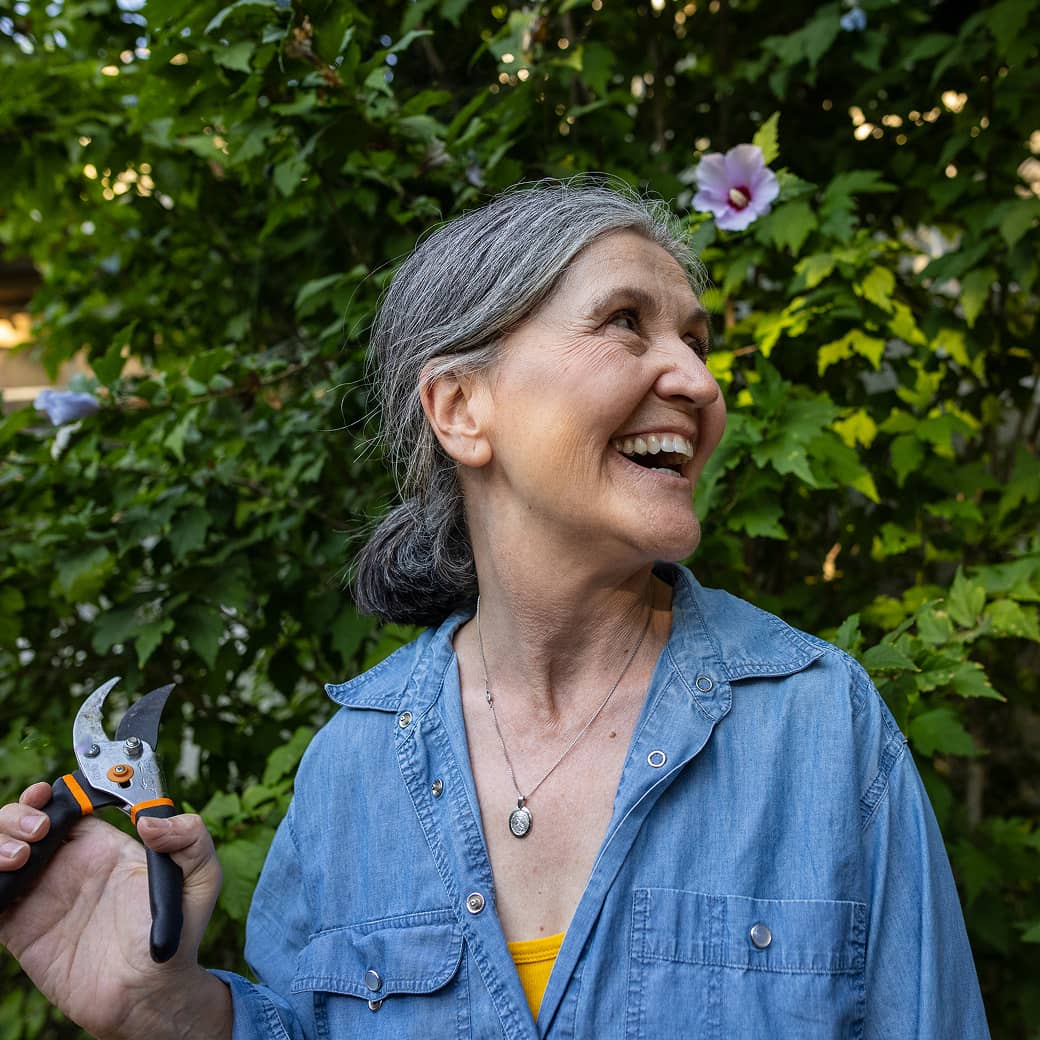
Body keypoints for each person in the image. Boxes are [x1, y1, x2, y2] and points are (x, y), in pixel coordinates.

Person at [0, 180, 990, 1039]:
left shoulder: (818, 727)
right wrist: (164, 1009)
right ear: (462, 410)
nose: (695, 378)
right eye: (623, 323)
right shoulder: (353, 764)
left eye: (694, 339)